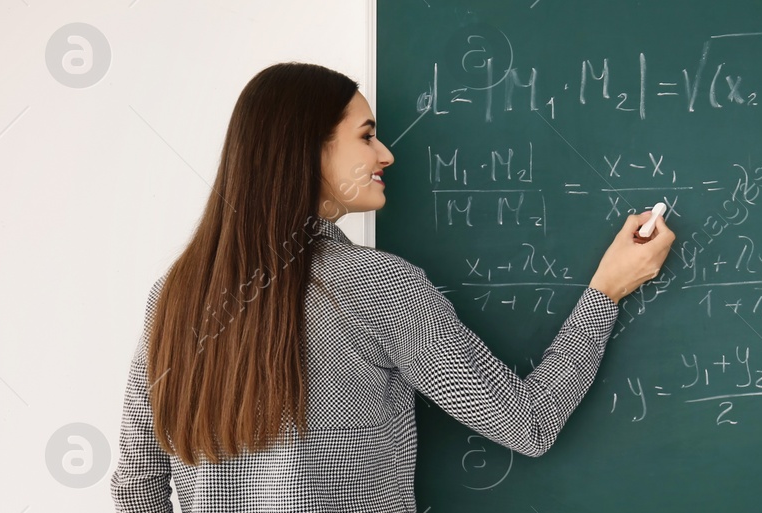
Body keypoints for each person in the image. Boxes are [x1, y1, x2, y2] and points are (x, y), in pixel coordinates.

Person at [110, 62, 674, 512]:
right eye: (367, 136)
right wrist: (606, 290)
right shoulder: (378, 288)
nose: (386, 154)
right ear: (310, 149)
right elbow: (528, 423)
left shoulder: (175, 298)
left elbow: (137, 487)